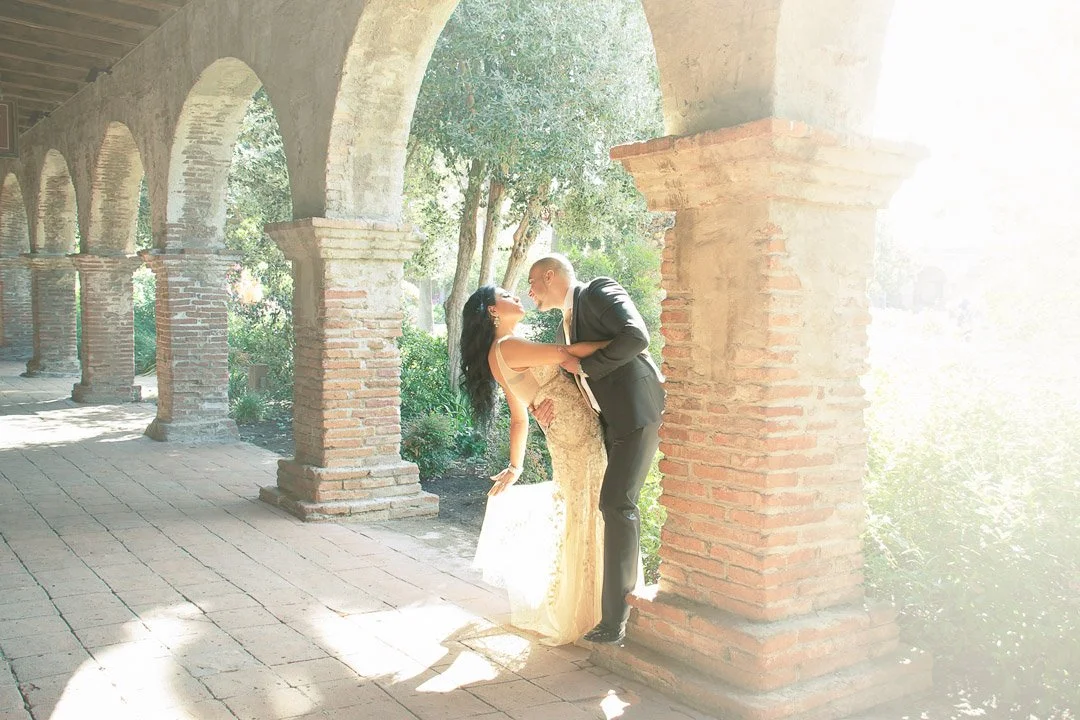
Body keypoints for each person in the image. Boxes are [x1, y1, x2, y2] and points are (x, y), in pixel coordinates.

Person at [460, 284, 610, 646]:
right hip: (577, 433)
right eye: (507, 294)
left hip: (566, 433)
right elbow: (563, 353)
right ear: (492, 310)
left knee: (583, 511)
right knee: (590, 510)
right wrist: (621, 343)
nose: (516, 296)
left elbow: (519, 418)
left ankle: (586, 608)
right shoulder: (508, 346)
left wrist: (515, 466)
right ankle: (595, 611)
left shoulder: (500, 351)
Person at [527, 254, 664, 645]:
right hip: (609, 421)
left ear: (550, 275)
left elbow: (636, 337)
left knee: (616, 505)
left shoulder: (597, 290)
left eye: (533, 283)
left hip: (637, 413)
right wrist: (543, 405)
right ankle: (614, 612)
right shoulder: (563, 324)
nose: (530, 292)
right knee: (612, 508)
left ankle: (615, 620)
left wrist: (586, 367)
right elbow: (570, 375)